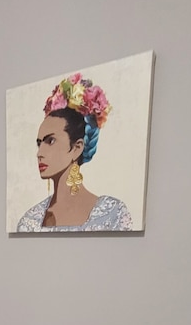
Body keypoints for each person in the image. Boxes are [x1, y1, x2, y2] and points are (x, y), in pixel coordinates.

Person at [17, 73, 133, 231]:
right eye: (39, 143)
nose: (39, 153)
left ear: (77, 148)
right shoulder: (30, 221)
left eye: (50, 141)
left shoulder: (113, 214)